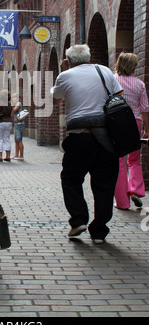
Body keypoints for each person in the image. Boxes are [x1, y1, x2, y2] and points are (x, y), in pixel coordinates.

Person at [51, 44, 123, 244]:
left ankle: (78, 220)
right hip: (106, 138)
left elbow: (56, 100)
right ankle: (99, 230)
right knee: (104, 184)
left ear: (69, 60)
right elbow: (118, 96)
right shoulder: (105, 71)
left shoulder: (65, 76)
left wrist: (64, 71)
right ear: (89, 57)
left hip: (79, 137)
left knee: (71, 179)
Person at [113, 52, 149, 209]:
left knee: (119, 161)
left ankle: (122, 202)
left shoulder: (113, 80)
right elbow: (145, 108)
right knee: (134, 159)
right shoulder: (139, 84)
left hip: (118, 122)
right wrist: (147, 130)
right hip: (136, 121)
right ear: (131, 65)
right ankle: (134, 189)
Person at [0, 89, 17, 162]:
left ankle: (0, 157)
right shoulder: (9, 105)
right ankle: (8, 156)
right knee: (6, 139)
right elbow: (12, 115)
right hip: (8, 123)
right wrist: (12, 125)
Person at [11, 93, 25, 160]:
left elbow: (14, 110)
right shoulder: (16, 104)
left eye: (14, 97)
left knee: (19, 140)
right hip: (16, 124)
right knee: (16, 140)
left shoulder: (18, 104)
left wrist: (9, 106)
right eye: (12, 98)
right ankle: (16, 155)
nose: (13, 99)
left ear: (17, 98)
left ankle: (21, 156)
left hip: (19, 124)